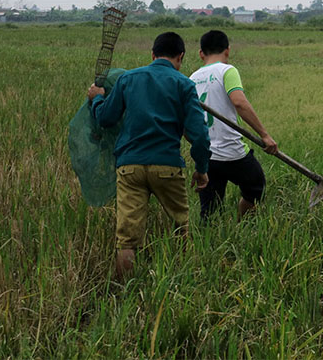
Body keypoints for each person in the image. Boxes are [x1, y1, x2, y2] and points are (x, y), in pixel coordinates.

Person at [87, 31, 211, 279]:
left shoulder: (128, 79)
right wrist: (201, 168)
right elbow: (200, 135)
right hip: (167, 166)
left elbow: (106, 119)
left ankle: (124, 296)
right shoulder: (184, 84)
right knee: (183, 228)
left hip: (129, 167)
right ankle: (186, 283)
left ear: (152, 54)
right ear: (181, 57)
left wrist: (97, 100)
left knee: (128, 241)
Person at [190, 30, 279, 221]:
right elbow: (239, 102)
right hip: (233, 152)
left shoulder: (192, 78)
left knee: (209, 210)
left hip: (207, 155)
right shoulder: (227, 70)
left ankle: (208, 243)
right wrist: (264, 135)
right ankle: (243, 223)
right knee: (256, 187)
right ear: (228, 51)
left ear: (201, 53)